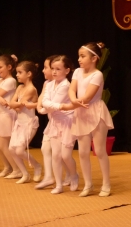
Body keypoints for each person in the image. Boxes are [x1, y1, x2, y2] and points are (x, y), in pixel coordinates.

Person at [60, 42, 114, 197]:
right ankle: (88, 185)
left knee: (100, 150)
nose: (79, 59)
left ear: (94, 58)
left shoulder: (97, 74)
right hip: (80, 112)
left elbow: (89, 96)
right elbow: (72, 89)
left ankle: (106, 184)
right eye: (79, 56)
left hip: (96, 112)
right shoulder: (77, 71)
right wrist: (73, 101)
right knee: (83, 152)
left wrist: (73, 104)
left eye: (83, 56)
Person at [39, 55, 78, 194]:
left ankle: (74, 175)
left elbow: (50, 103)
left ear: (67, 71)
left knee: (65, 155)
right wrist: (50, 106)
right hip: (55, 122)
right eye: (53, 69)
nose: (54, 72)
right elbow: (45, 102)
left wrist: (51, 106)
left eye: (58, 69)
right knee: (55, 155)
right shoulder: (49, 84)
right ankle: (59, 185)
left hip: (67, 122)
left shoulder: (66, 85)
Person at [8, 61, 42, 184]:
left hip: (29, 123)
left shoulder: (31, 89)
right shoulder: (19, 87)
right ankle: (25, 173)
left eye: (19, 72)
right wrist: (16, 104)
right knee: (11, 149)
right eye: (17, 72)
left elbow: (17, 106)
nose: (17, 75)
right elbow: (13, 103)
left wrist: (15, 105)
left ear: (29, 74)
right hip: (19, 122)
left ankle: (37, 166)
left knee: (19, 150)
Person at [0, 54, 20, 178]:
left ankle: (17, 169)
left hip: (6, 115)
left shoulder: (11, 81)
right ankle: (7, 167)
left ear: (9, 67)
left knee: (3, 145)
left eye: (0, 67)